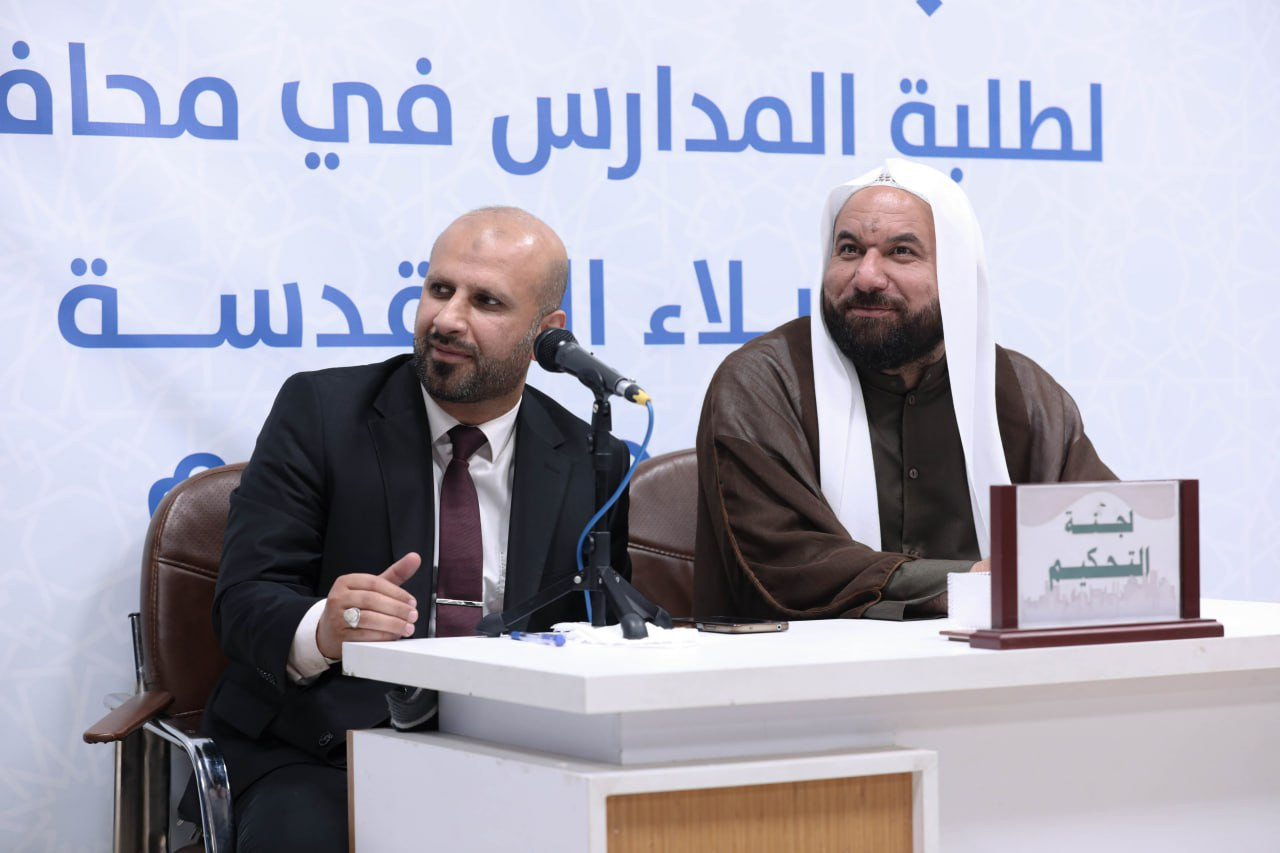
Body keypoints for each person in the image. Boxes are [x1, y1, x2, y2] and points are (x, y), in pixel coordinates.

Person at [199, 207, 630, 851]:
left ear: (546, 334)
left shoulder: (590, 459)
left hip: (517, 758)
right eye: (439, 289)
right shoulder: (320, 413)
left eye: (486, 301)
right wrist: (324, 628)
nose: (447, 319)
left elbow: (604, 633)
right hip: (324, 752)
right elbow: (243, 601)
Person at [694, 159, 1113, 622]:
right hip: (807, 664)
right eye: (849, 250)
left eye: (900, 252)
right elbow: (786, 563)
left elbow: (1104, 535)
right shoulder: (766, 383)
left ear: (956, 273)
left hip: (999, 663)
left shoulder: (1022, 394)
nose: (866, 277)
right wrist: (974, 582)